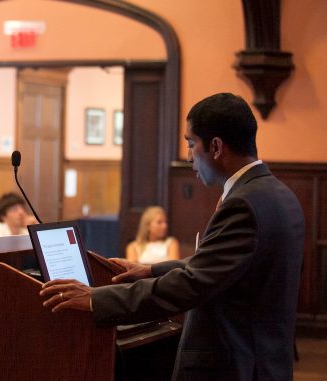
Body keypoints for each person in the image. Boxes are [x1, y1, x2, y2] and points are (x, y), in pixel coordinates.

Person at [40, 93, 304, 380]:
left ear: (215, 146)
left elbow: (193, 284)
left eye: (191, 144)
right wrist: (151, 269)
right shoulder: (278, 194)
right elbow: (221, 265)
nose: (189, 156)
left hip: (236, 365)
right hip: (264, 361)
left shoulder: (243, 204)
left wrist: (95, 298)